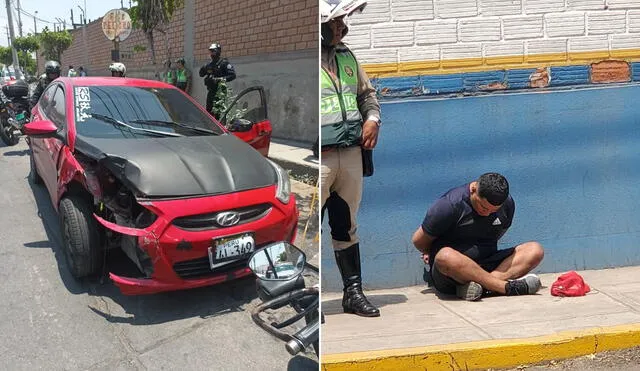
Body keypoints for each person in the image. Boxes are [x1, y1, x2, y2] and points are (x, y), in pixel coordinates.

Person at [320, 0, 382, 317]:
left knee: (346, 225)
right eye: (335, 23)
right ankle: (304, 299)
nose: (342, 28)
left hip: (350, 155)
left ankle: (352, 293)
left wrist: (372, 120)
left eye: (342, 22)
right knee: (307, 230)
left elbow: (366, 96)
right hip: (318, 160)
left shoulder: (347, 55)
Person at [412, 173, 545, 301]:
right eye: (483, 207)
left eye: (493, 211)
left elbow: (498, 234)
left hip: (488, 262)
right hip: (453, 273)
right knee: (445, 256)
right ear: (474, 189)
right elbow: (418, 240)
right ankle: (506, 288)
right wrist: (429, 251)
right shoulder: (449, 205)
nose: (487, 214)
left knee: (535, 250)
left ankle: (482, 287)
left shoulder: (507, 204)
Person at [199, 42, 236, 118]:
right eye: (210, 51)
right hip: (211, 91)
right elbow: (201, 74)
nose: (212, 53)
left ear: (218, 51)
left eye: (213, 51)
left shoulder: (224, 63)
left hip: (220, 92)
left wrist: (220, 79)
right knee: (209, 111)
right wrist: (204, 67)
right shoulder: (209, 64)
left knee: (218, 113)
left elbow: (232, 75)